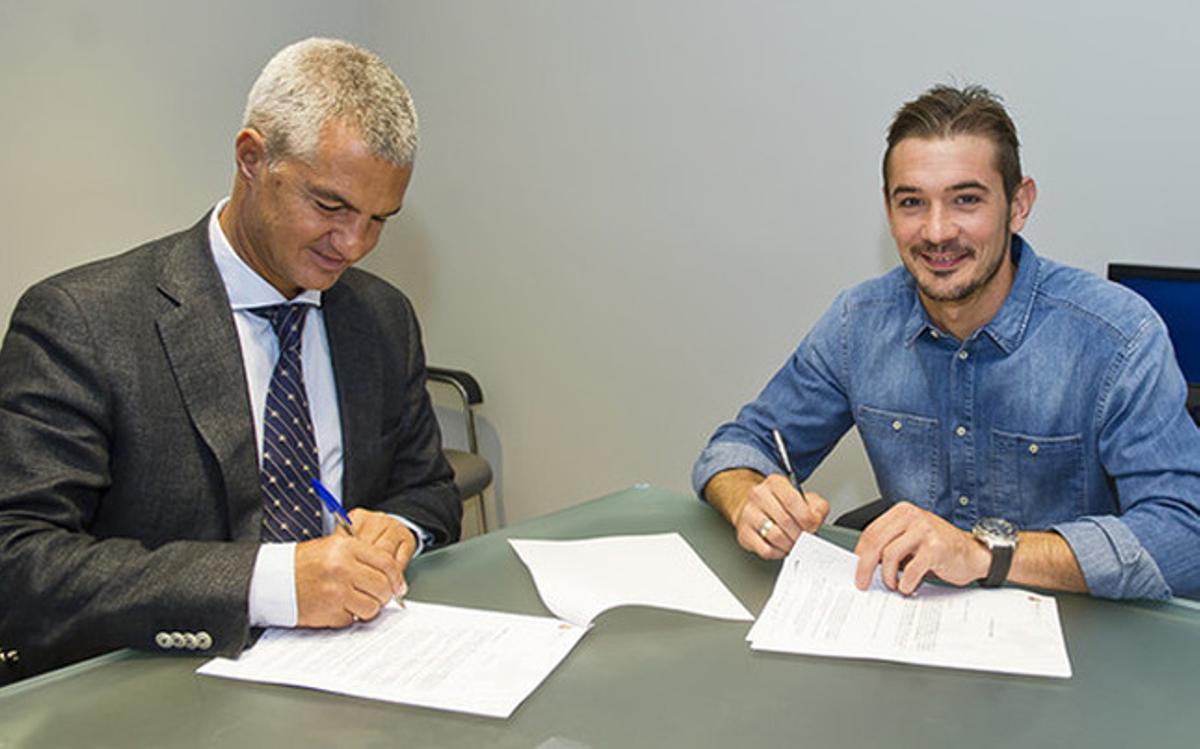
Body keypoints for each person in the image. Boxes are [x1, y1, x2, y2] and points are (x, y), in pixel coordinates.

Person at [0, 38, 461, 684]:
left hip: (358, 673)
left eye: (379, 218)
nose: (353, 244)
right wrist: (272, 582)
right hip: (153, 686)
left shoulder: (380, 317)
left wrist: (401, 529)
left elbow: (430, 488)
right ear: (252, 158)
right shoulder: (83, 322)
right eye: (330, 205)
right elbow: (22, 564)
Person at [693, 84, 1200, 601]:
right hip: (914, 631)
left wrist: (983, 555)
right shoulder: (858, 323)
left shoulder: (1115, 336)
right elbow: (738, 446)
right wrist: (748, 496)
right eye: (912, 202)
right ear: (889, 213)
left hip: (1079, 641)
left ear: (1019, 204)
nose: (936, 231)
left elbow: (1186, 535)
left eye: (966, 200)